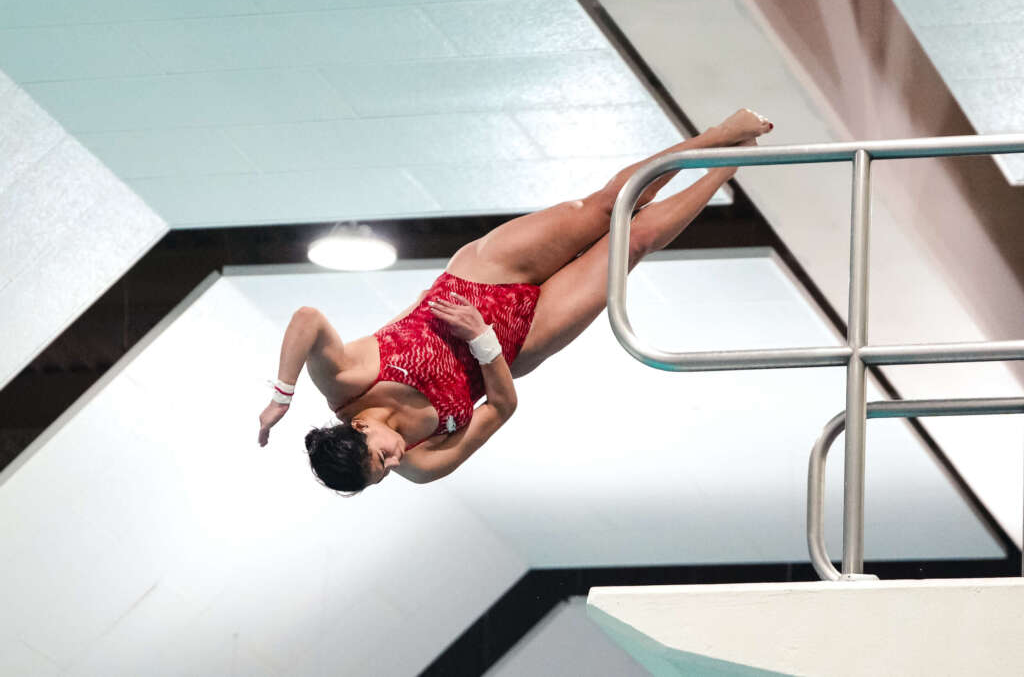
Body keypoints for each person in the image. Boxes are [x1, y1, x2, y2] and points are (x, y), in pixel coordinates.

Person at [257, 108, 773, 492]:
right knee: (633, 243)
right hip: (514, 346)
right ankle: (727, 163)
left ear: (360, 428)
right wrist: (483, 341)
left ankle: (716, 136)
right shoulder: (423, 463)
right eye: (385, 474)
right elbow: (502, 406)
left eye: (381, 459)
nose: (395, 463)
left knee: (605, 208)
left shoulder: (344, 381)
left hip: (483, 277)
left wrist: (282, 396)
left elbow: (307, 319)